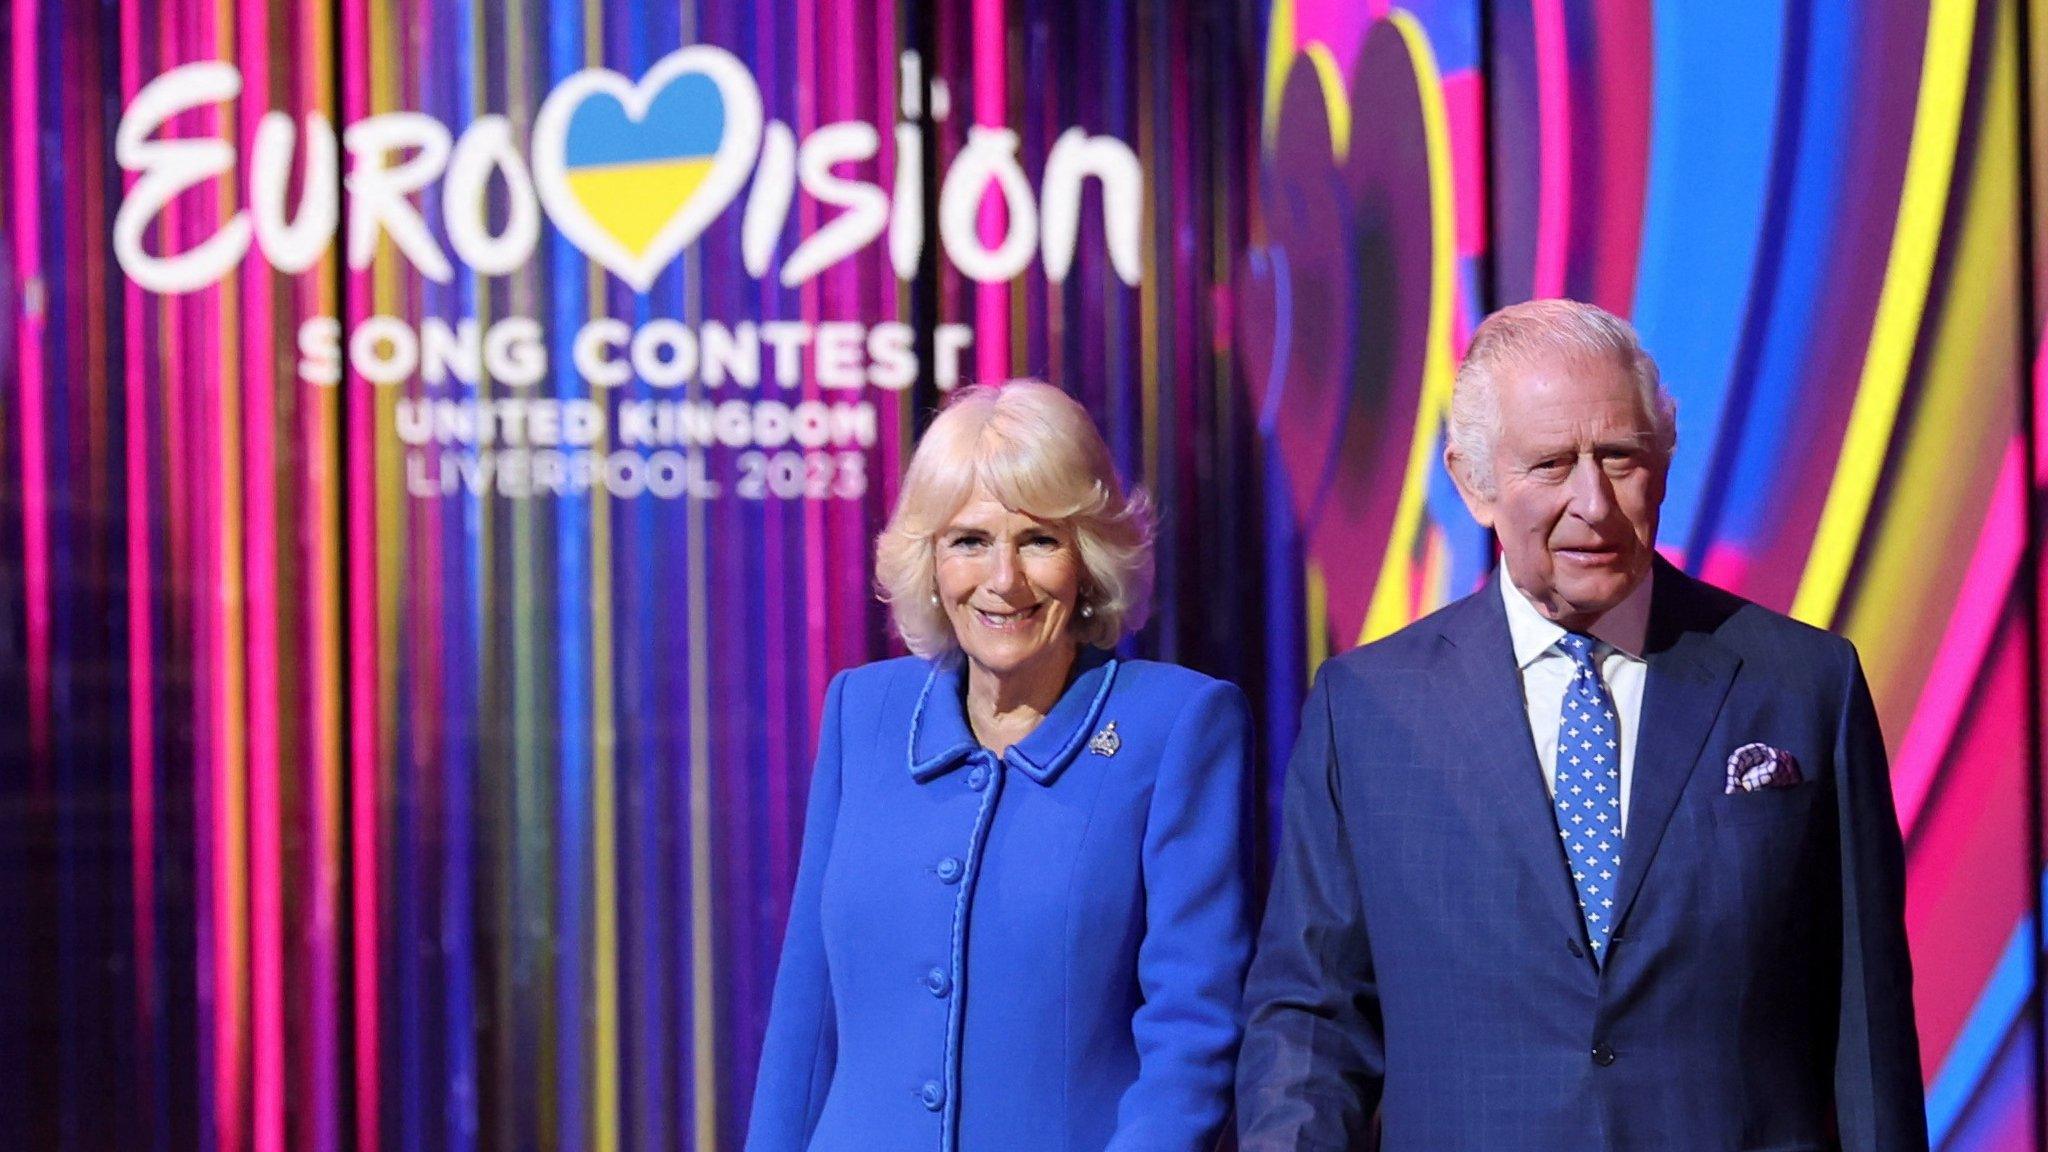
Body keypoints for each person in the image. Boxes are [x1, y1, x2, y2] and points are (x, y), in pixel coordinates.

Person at [1236, 299, 1926, 1150]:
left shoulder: (1803, 686)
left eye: (1621, 459)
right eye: (1553, 464)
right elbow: (1312, 1023)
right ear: (1473, 483)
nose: (1593, 503)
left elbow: (1867, 1027)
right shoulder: (1367, 710)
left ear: (1664, 465)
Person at [746, 381, 1254, 1152]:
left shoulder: (1176, 725)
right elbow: (806, 1015)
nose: (1004, 580)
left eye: (1039, 540)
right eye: (970, 540)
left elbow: (1193, 1029)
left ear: (1088, 557)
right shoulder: (863, 712)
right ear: (931, 557)